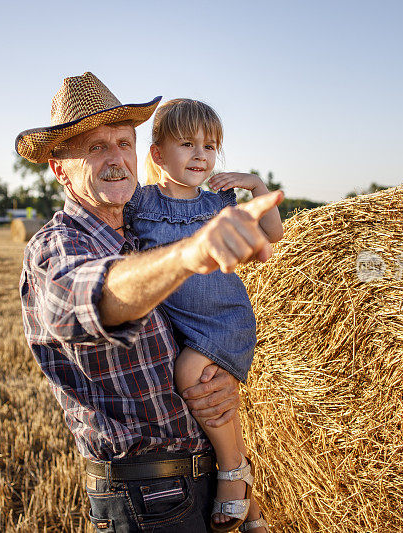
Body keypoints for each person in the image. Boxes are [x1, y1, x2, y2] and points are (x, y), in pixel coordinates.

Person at [16, 72, 282, 532]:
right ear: (59, 166)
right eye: (96, 147)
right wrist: (192, 252)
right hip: (147, 502)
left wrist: (218, 379)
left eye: (123, 142)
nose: (116, 158)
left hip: (200, 481)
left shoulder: (140, 231)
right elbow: (94, 297)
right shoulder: (54, 248)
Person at [123, 98, 281, 532]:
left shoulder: (219, 203)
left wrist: (257, 185)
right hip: (181, 326)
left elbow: (274, 233)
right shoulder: (139, 203)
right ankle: (255, 509)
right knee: (199, 412)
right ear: (157, 155)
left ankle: (235, 472)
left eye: (210, 146)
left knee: (192, 377)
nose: (201, 155)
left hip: (224, 320)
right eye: (188, 143)